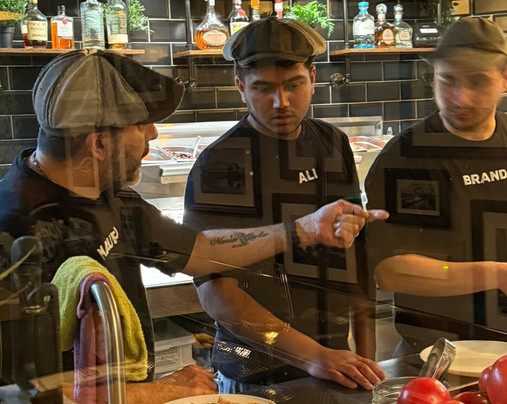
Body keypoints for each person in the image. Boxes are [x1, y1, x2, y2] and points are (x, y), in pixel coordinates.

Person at [0, 49, 381, 403]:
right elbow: (17, 393)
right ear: (98, 144)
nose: (153, 135)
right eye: (142, 125)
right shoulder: (12, 231)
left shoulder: (111, 197)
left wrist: (302, 230)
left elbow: (200, 251)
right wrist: (156, 391)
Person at [183, 17, 388, 393]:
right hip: (255, 376)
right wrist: (312, 355)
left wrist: (366, 359)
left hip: (335, 365)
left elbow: (357, 258)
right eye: (263, 88)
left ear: (313, 77)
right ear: (241, 87)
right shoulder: (220, 164)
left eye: (294, 84)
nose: (282, 102)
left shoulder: (332, 144)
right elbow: (215, 291)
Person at [365, 17, 507, 355]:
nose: (461, 97)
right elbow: (391, 271)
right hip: (438, 354)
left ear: (506, 77)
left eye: (478, 81)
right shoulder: (407, 156)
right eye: (448, 81)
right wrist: (498, 275)